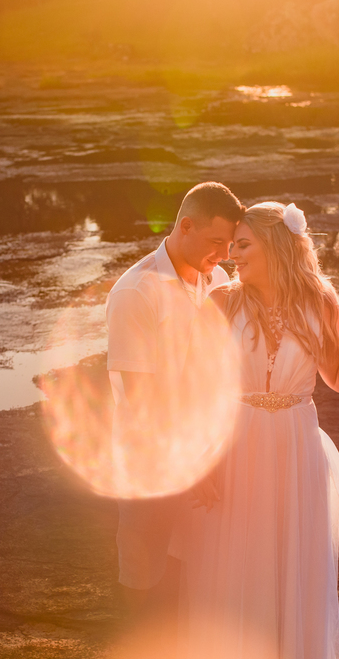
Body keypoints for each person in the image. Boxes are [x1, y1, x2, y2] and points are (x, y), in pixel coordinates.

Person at [176, 201, 339, 659]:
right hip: (236, 444)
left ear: (277, 247)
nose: (232, 254)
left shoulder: (320, 301)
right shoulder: (220, 302)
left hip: (295, 445)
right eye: (232, 245)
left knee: (291, 561)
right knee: (236, 563)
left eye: (243, 244)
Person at [105, 181, 245, 613]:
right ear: (185, 226)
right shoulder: (136, 292)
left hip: (206, 448)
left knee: (196, 572)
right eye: (216, 242)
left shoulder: (217, 278)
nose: (225, 255)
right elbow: (145, 401)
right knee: (146, 573)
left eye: (231, 244)